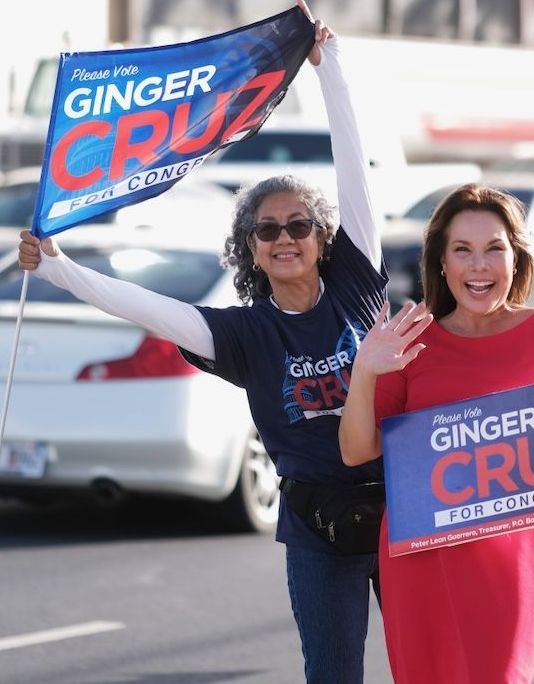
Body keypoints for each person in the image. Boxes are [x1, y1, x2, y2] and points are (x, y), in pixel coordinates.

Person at [17, 13, 387, 684]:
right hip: (317, 531)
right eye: (266, 229)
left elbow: (353, 166)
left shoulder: (355, 285)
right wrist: (55, 269)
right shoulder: (242, 335)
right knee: (332, 675)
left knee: (434, 665)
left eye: (299, 225)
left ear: (322, 236)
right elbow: (147, 309)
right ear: (250, 248)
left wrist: (329, 69)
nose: (284, 237)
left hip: (401, 508)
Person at [337, 183, 534, 683]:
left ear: (516, 260)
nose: (479, 266)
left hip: (519, 554)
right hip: (421, 556)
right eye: (463, 250)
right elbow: (355, 451)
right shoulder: (413, 342)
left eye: (494, 249)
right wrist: (365, 371)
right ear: (442, 263)